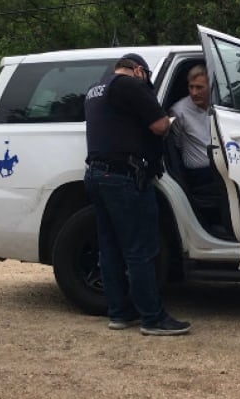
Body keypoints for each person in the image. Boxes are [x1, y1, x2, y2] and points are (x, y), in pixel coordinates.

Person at [84, 53, 191, 336]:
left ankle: (119, 313)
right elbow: (158, 126)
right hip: (124, 176)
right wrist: (170, 120)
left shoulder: (96, 89)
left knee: (109, 248)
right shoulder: (131, 85)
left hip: (96, 175)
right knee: (140, 249)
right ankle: (152, 319)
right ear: (140, 71)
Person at [169, 64, 212, 189]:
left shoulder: (220, 104)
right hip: (199, 175)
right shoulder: (178, 111)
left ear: (210, 87)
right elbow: (177, 144)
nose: (194, 92)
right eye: (191, 87)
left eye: (199, 88)